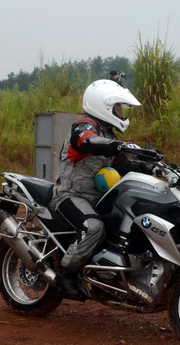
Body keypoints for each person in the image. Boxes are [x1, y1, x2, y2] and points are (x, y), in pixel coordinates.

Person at [52, 79, 156, 297]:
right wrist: (119, 146)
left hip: (98, 199)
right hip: (70, 196)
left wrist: (152, 167)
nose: (121, 113)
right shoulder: (84, 126)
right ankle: (65, 275)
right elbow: (85, 141)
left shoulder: (110, 136)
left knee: (125, 228)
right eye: (118, 108)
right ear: (104, 106)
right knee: (93, 227)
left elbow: (123, 165)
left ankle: (104, 281)